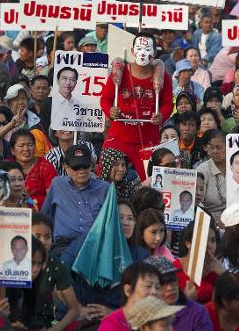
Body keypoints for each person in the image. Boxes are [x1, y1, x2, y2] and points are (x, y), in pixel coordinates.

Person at [101, 33, 174, 177]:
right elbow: (105, 99)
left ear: (154, 52)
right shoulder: (120, 73)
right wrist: (110, 111)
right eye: (139, 48)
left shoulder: (162, 76)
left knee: (151, 180)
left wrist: (162, 116)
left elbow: (168, 104)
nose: (143, 53)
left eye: (148, 49)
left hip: (148, 139)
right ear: (133, 51)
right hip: (119, 137)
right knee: (106, 176)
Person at [41, 143, 110, 256]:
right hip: (64, 246)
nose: (81, 171)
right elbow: (46, 215)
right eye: (76, 167)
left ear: (91, 165)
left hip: (95, 247)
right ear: (66, 167)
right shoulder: (57, 184)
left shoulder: (104, 188)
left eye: (85, 166)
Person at [98, 262, 162, 330]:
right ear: (128, 290)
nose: (154, 292)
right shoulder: (110, 326)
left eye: (157, 287)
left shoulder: (160, 321)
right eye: (148, 286)